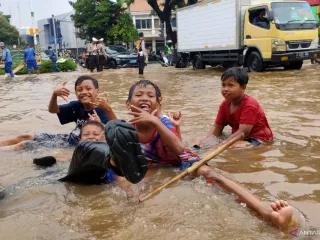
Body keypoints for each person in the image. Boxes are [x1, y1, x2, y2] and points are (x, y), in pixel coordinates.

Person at [124, 79, 295, 228]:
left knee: (211, 174)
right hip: (158, 164)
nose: (144, 98)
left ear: (159, 102)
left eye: (150, 95)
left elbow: (178, 149)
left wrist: (155, 121)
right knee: (134, 184)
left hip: (182, 161)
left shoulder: (162, 121)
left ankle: (262, 209)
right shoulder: (127, 128)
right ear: (128, 104)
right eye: (138, 95)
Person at [0, 75, 116, 151]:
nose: (84, 92)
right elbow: (52, 110)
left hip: (74, 147)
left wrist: (106, 115)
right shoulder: (77, 105)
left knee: (23, 145)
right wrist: (54, 95)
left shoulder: (102, 108)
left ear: (97, 91)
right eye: (79, 90)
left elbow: (116, 133)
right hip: (68, 139)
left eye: (88, 89)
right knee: (26, 136)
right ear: (75, 93)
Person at [33, 120, 148, 186]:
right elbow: (57, 161)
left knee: (107, 160)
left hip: (103, 177)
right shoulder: (77, 153)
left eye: (95, 134)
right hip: (76, 177)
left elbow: (122, 181)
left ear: (103, 138)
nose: (91, 137)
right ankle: (115, 159)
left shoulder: (102, 149)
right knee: (85, 149)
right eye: (86, 135)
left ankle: (116, 159)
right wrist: (45, 162)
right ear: (79, 140)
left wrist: (132, 196)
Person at [193, 67, 273, 149]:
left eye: (230, 85)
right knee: (200, 139)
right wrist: (206, 142)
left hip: (258, 139)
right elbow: (217, 127)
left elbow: (242, 133)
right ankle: (193, 154)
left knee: (233, 146)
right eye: (223, 85)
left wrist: (222, 145)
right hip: (239, 136)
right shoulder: (224, 104)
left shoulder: (250, 105)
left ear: (243, 87)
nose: (225, 89)